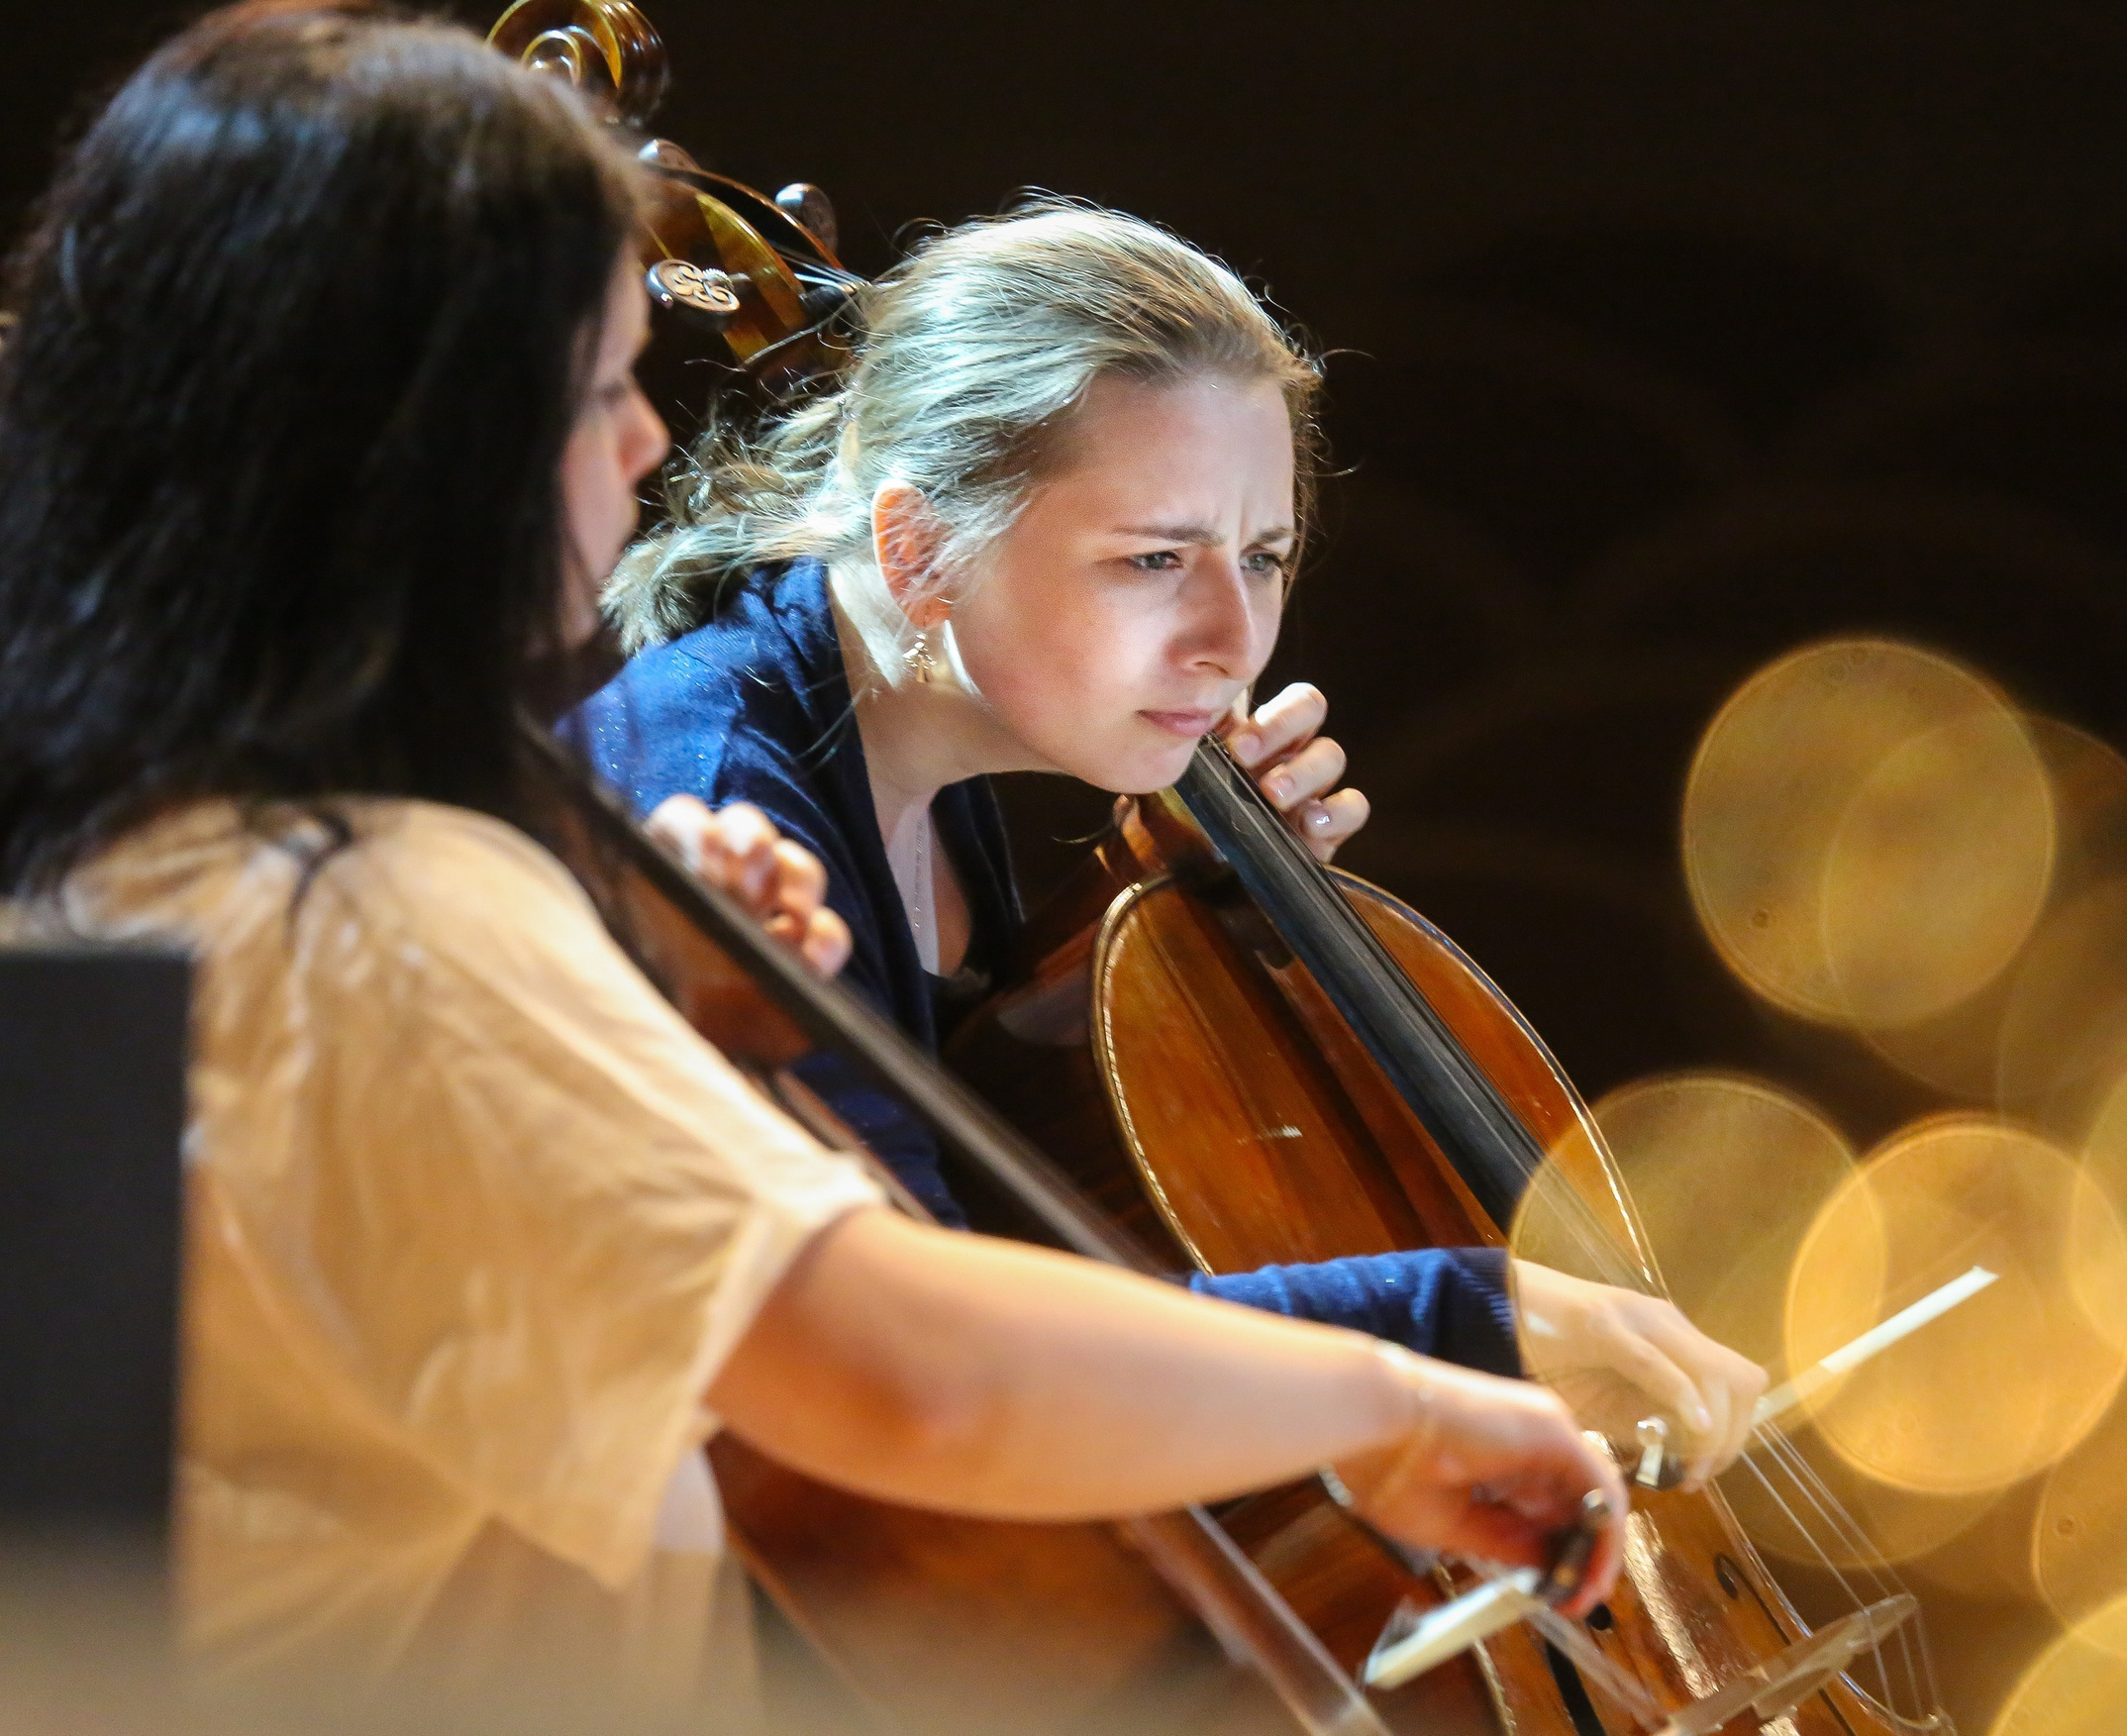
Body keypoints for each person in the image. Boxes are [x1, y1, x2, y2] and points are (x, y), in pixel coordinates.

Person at [0, 1, 1625, 1705]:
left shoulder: (172, 844)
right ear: (411, 456)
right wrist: (1418, 1376)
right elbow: (907, 1376)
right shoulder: (377, 908)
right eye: (597, 388)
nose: (646, 440)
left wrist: (656, 1016)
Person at [576, 202, 1770, 1473]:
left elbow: (982, 1143)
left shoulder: (910, 733)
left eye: (1264, 556)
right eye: (1154, 559)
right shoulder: (720, 812)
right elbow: (920, 1352)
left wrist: (1150, 886)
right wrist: (1467, 1317)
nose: (1233, 640)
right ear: (916, 550)